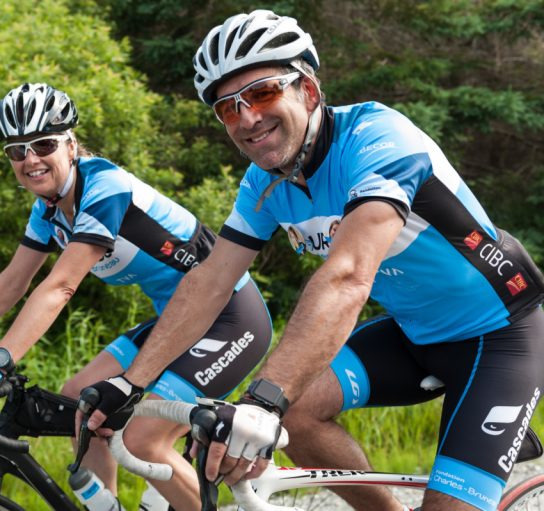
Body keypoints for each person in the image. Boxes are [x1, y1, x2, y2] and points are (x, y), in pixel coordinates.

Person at [81, 10, 544, 511]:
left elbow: (346, 278)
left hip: (498, 337)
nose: (247, 119)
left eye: (261, 94)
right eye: (227, 109)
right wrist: (132, 382)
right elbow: (211, 280)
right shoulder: (265, 182)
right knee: (295, 414)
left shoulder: (380, 142)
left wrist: (260, 403)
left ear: (308, 90)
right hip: (413, 333)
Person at [0, 82, 273, 511]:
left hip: (230, 318)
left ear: (71, 144)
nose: (30, 159)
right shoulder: (48, 207)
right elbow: (12, 282)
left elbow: (60, 287)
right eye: (16, 150)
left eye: (43, 144)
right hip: (178, 322)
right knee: (81, 397)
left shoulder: (104, 187)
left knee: (141, 441)